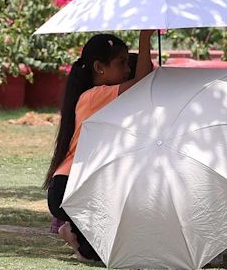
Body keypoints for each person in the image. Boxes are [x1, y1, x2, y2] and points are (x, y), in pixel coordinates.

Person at [43, 30, 154, 262]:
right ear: (99, 68)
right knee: (96, 256)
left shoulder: (105, 96)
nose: (127, 69)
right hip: (70, 186)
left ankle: (74, 230)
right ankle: (73, 232)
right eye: (121, 63)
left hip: (77, 185)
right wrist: (145, 38)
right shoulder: (95, 96)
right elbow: (143, 82)